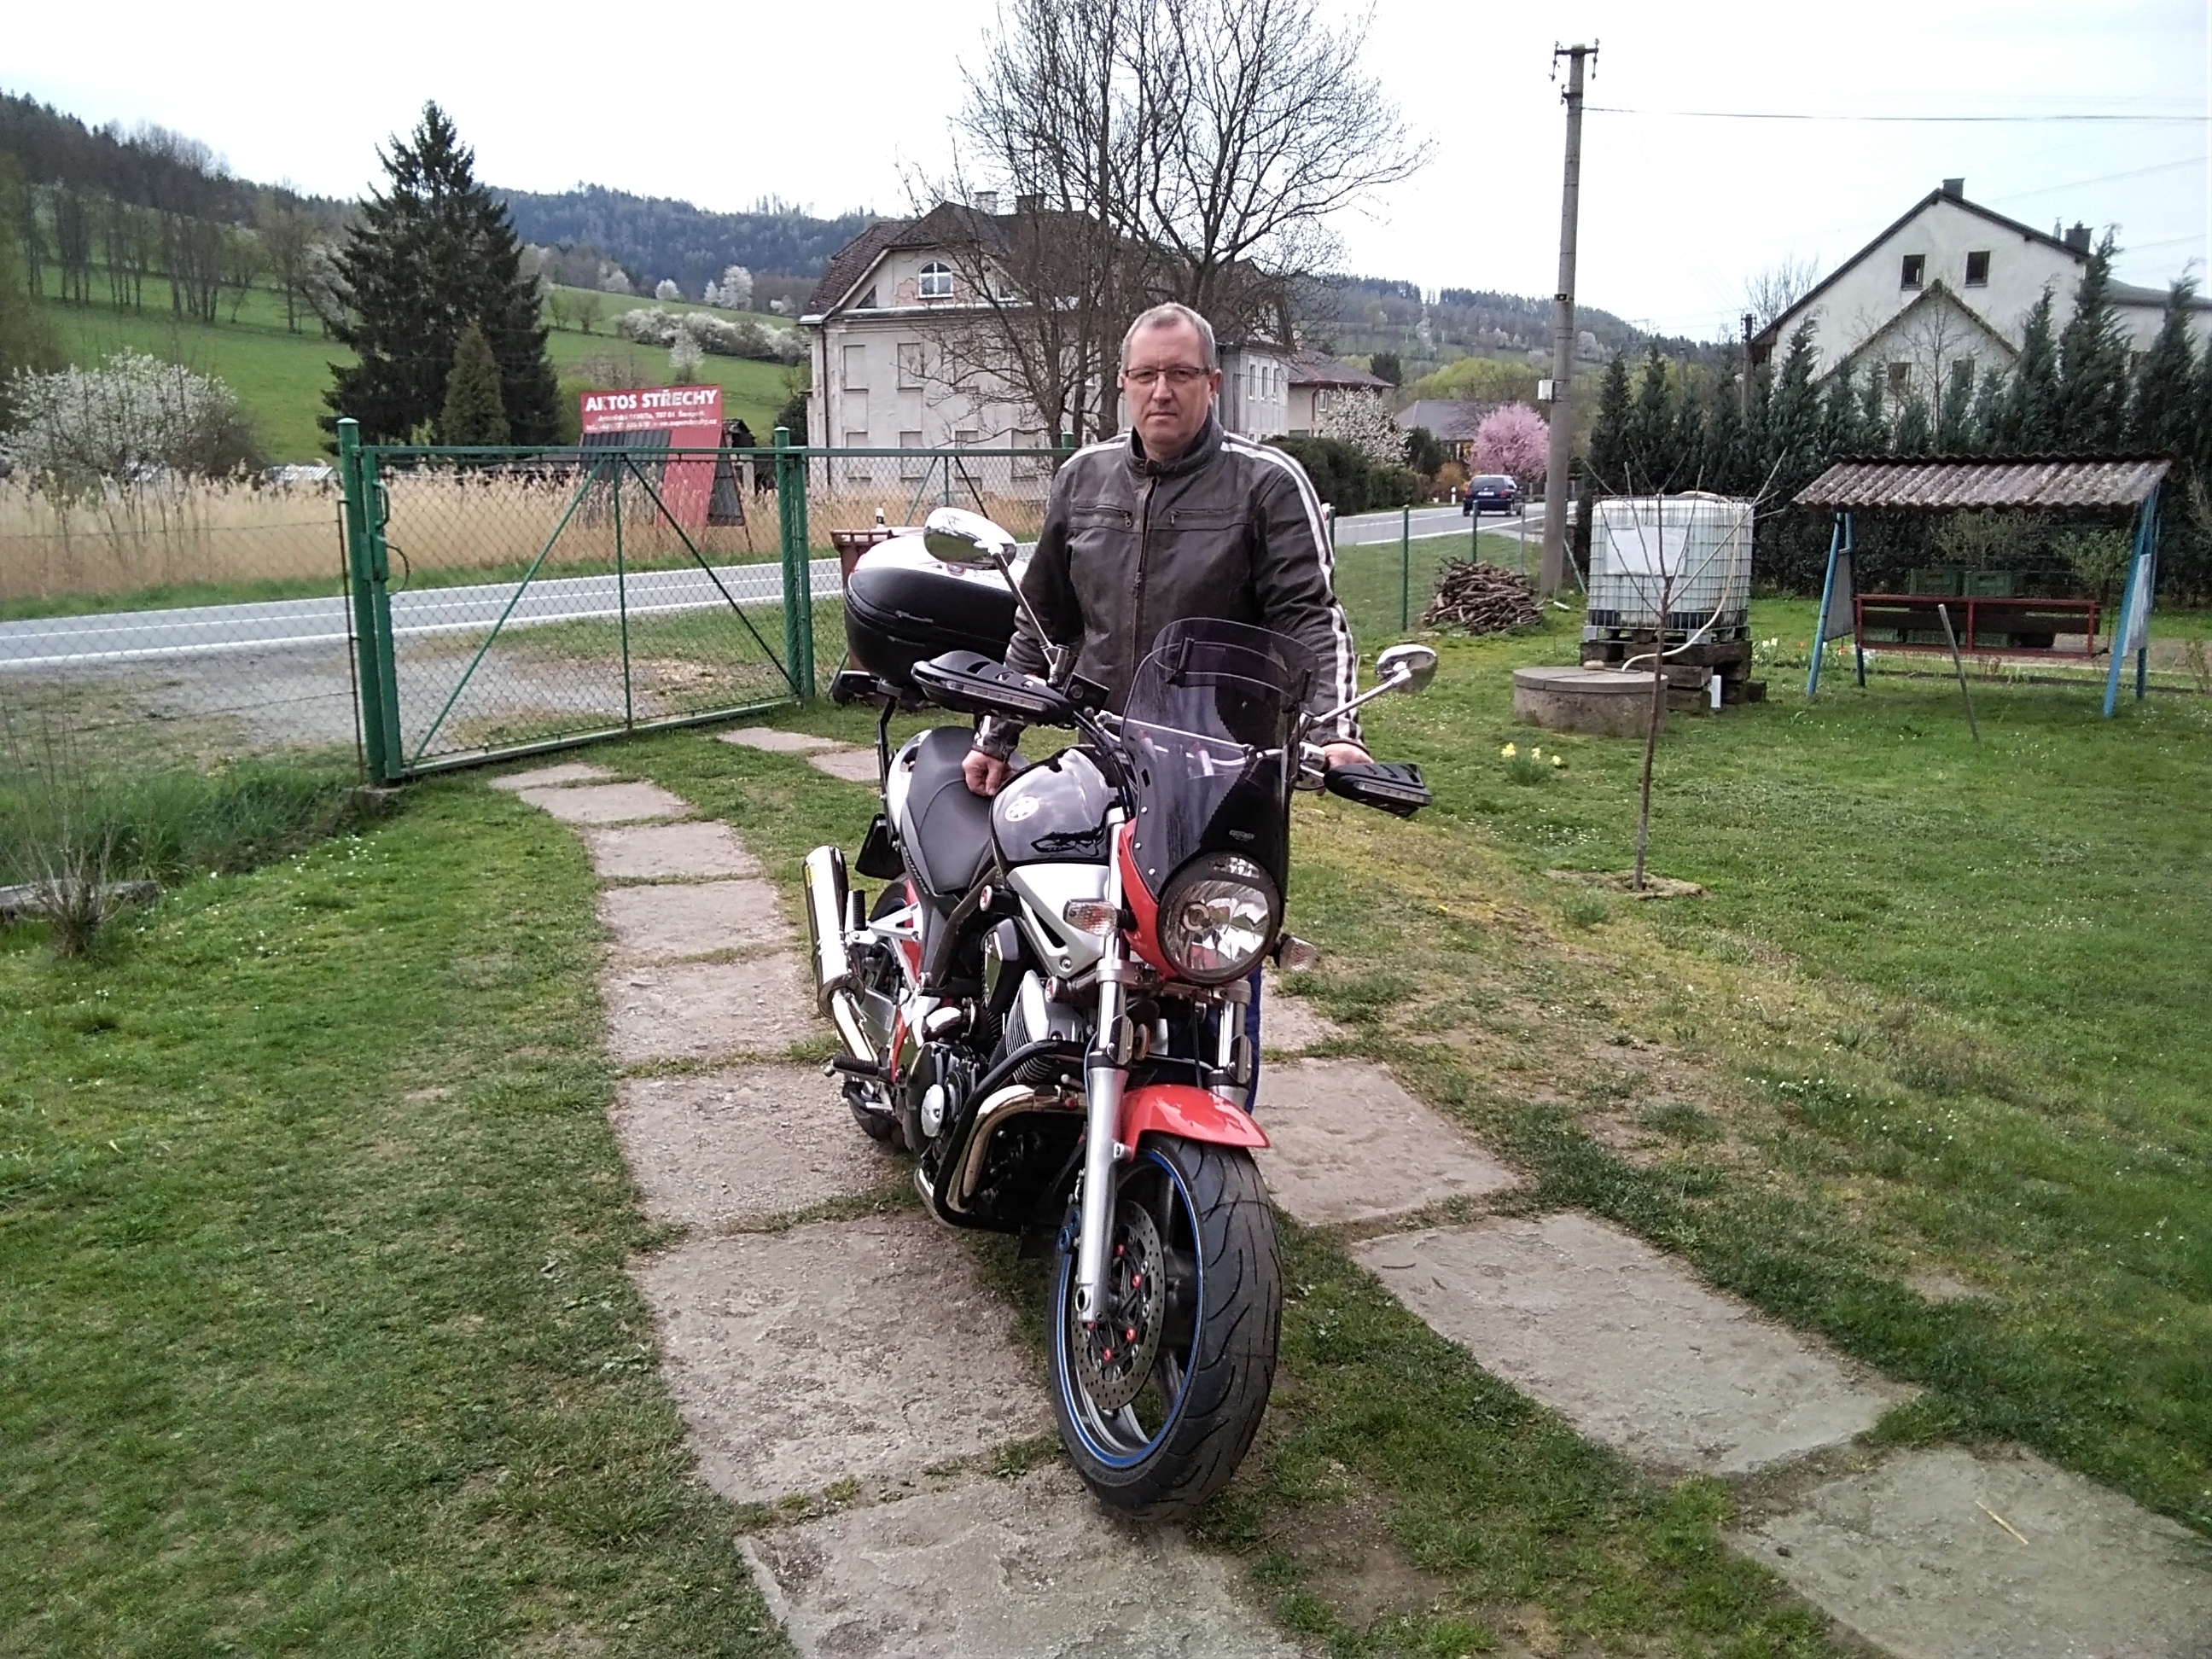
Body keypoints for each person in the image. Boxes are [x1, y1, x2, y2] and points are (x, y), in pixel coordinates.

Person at [963, 302, 1371, 796]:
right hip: (1105, 758)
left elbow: (1308, 617)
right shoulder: (1081, 479)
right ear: (1124, 382)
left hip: (1227, 768)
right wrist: (994, 738)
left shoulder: (1267, 484)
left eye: (1180, 373)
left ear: (1212, 383)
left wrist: (1333, 732)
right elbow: (1041, 621)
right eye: (1145, 375)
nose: (1161, 391)